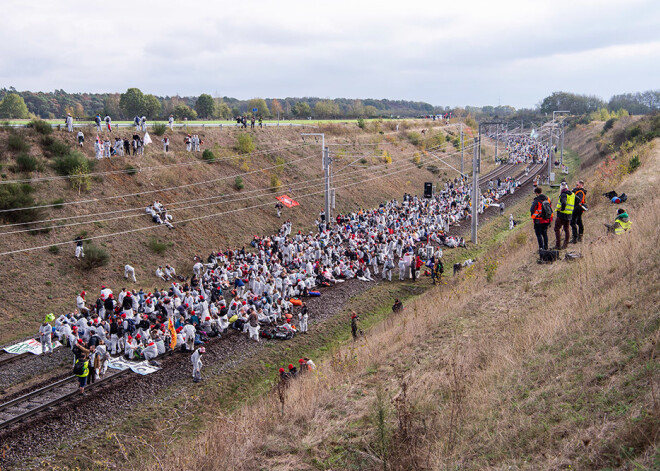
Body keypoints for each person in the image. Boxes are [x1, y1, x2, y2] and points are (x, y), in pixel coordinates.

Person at [530, 187, 552, 251]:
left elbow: (532, 210)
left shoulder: (536, 201)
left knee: (539, 234)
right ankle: (546, 247)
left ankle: (541, 248)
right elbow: (550, 209)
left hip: (538, 221)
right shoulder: (548, 199)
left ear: (536, 193)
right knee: (545, 233)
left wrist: (533, 217)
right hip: (547, 220)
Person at [554, 181, 575, 249]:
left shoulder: (563, 194)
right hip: (569, 215)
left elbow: (563, 202)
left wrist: (562, 209)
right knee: (567, 229)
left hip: (561, 215)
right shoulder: (572, 194)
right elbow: (578, 200)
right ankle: (565, 244)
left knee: (556, 228)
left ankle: (558, 245)